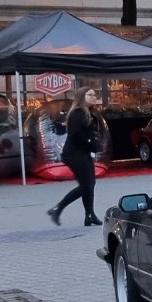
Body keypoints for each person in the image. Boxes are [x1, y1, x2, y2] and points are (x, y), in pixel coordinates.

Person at [48, 88, 103, 226]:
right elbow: (76, 134)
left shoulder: (89, 112)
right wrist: (91, 144)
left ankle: (89, 215)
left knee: (89, 184)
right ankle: (58, 208)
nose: (94, 97)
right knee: (87, 185)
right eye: (90, 95)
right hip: (74, 153)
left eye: (94, 95)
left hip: (82, 152)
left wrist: (94, 144)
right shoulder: (78, 113)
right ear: (81, 97)